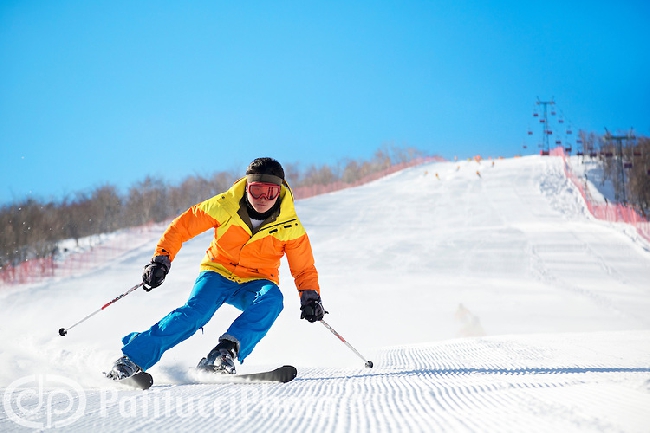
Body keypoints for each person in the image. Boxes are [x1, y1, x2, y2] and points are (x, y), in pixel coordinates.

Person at [107, 157, 325, 379]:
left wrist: (310, 297)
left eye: (269, 192)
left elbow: (303, 268)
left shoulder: (291, 226)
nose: (262, 199)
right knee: (195, 314)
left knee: (272, 299)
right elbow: (183, 227)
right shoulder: (224, 205)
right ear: (247, 187)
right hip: (218, 273)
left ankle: (224, 352)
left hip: (256, 281)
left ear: (279, 192)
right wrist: (161, 259)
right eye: (256, 190)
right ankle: (131, 359)